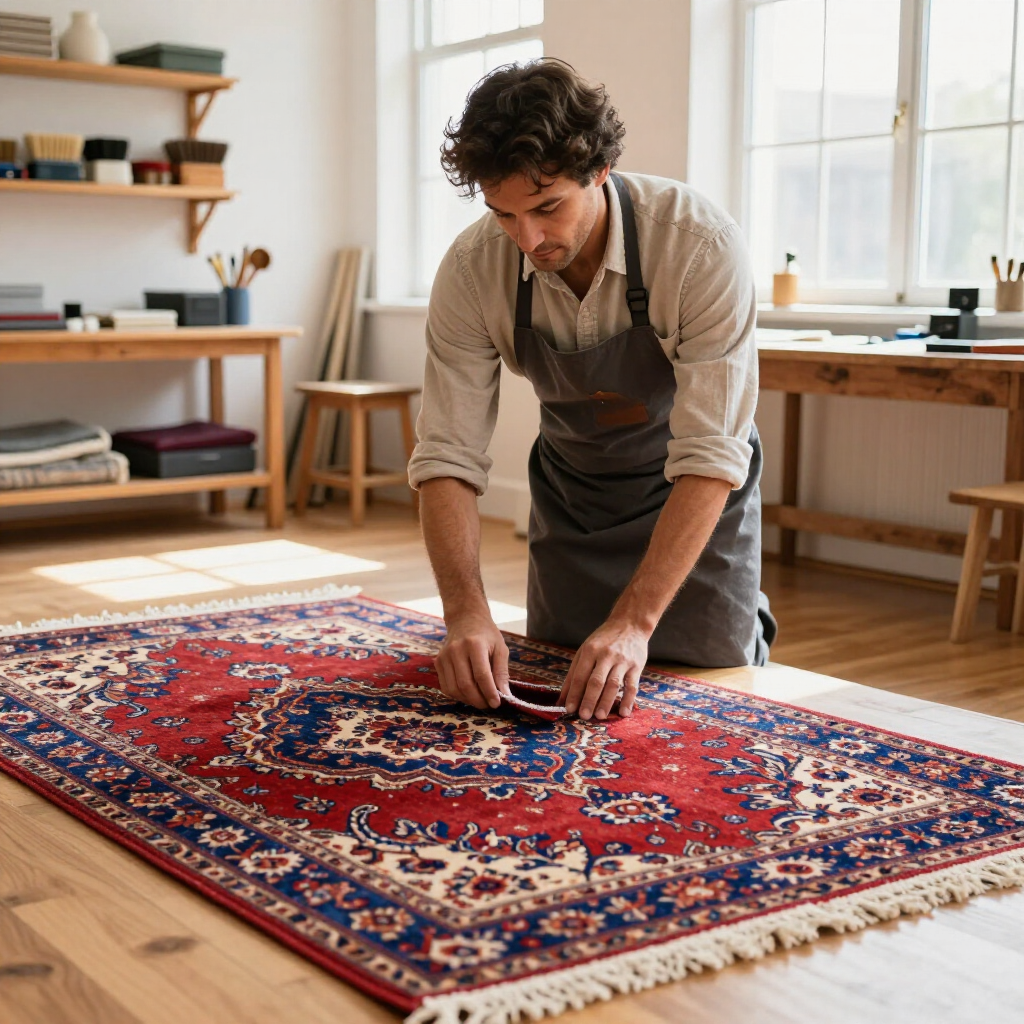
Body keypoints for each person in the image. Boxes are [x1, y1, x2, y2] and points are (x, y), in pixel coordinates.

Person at [408, 58, 775, 724]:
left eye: (548, 208)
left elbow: (711, 453)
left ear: (600, 170)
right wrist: (464, 613)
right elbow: (446, 456)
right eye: (504, 215)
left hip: (692, 497)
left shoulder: (699, 247)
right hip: (575, 501)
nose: (528, 238)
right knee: (556, 680)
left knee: (711, 702)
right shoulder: (470, 270)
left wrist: (635, 621)